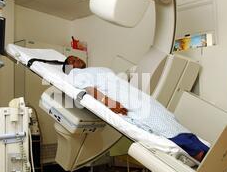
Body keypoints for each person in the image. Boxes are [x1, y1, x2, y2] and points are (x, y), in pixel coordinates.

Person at [62, 56, 209, 160]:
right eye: (72, 61)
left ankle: (204, 148)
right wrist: (110, 103)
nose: (77, 60)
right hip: (125, 101)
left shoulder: (96, 68)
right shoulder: (74, 74)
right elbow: (90, 89)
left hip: (137, 96)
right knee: (159, 124)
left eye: (76, 57)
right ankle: (198, 153)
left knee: (166, 117)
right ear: (69, 67)